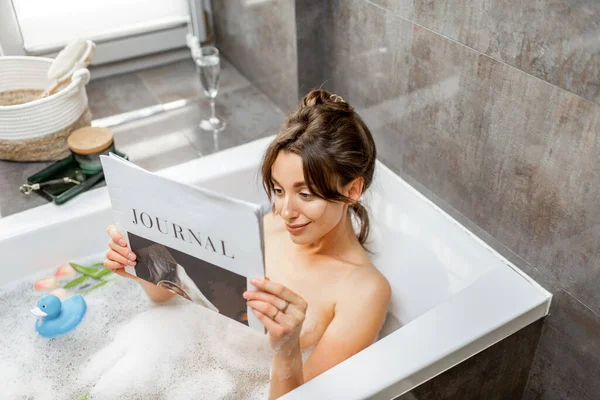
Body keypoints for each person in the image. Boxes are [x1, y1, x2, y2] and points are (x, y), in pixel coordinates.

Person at [104, 89, 391, 399]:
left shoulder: (364, 292)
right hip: (186, 372)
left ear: (352, 190)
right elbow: (168, 298)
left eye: (305, 194)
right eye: (279, 191)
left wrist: (287, 348)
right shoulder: (266, 228)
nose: (285, 212)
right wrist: (143, 265)